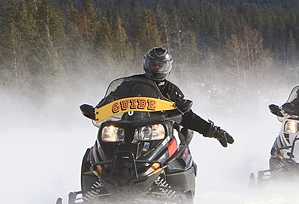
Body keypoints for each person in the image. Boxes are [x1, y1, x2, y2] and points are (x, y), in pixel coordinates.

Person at [95, 46, 235, 147]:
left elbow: (188, 116)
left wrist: (213, 131)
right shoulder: (131, 83)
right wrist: (98, 110)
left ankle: (175, 177)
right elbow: (113, 97)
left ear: (167, 67)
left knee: (176, 148)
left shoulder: (172, 90)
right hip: (127, 129)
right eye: (153, 64)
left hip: (157, 135)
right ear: (146, 64)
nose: (156, 68)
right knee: (100, 146)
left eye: (160, 65)